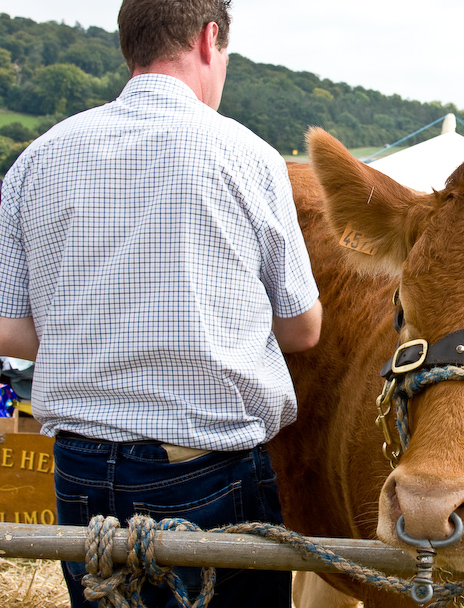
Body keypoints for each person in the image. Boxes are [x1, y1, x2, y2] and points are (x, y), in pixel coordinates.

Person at [0, 0, 322, 606]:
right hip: (209, 473)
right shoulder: (251, 158)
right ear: (208, 40)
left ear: (130, 45)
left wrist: (95, 334)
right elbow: (304, 329)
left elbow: (8, 333)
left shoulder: (37, 159)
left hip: (78, 474)